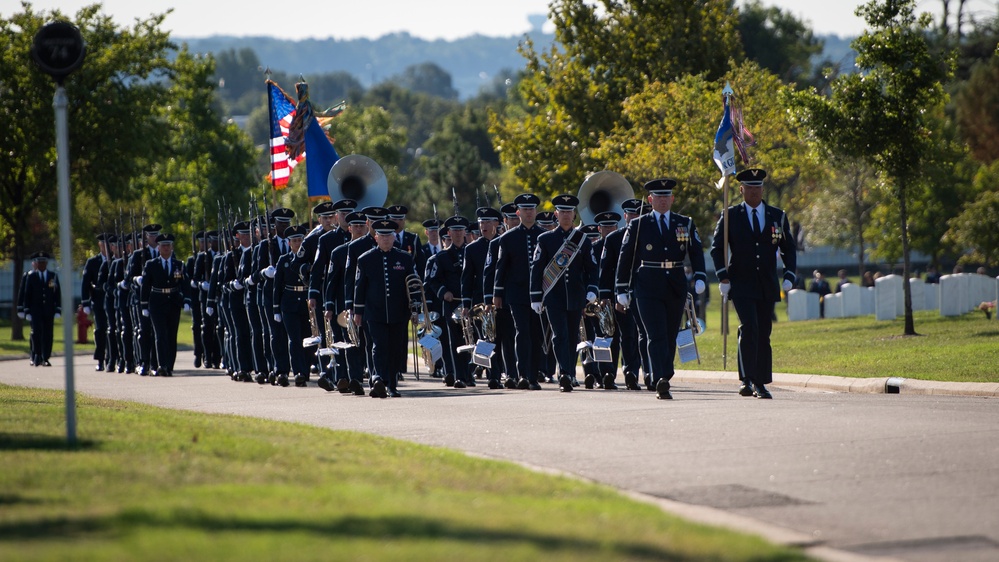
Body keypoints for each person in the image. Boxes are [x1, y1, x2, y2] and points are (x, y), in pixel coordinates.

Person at [710, 168, 797, 399]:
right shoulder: (730, 215)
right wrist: (723, 276)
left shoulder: (776, 215)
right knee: (750, 327)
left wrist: (789, 274)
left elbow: (788, 248)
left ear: (763, 189)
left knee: (763, 332)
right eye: (749, 187)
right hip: (741, 283)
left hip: (767, 283)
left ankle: (753, 379)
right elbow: (717, 248)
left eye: (758, 187)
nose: (754, 191)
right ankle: (754, 381)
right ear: (741, 190)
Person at [616, 179, 706, 400]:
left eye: (667, 196)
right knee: (655, 334)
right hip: (647, 285)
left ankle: (665, 372)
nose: (663, 200)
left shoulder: (684, 222)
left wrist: (700, 276)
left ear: (672, 199)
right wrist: (621, 288)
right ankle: (660, 378)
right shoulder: (638, 225)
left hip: (675, 284)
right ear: (650, 200)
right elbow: (625, 257)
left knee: (669, 334)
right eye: (658, 197)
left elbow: (696, 252)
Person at [530, 194, 599, 393]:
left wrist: (592, 289)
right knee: (559, 335)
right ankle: (566, 374)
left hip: (576, 296)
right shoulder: (545, 239)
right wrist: (536, 296)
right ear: (556, 214)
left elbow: (592, 268)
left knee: (572, 336)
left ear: (574, 214)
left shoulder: (583, 240)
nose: (566, 215)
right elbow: (537, 269)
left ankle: (567, 372)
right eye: (563, 212)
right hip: (553, 296)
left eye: (570, 212)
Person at [353, 220, 421, 398]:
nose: (385, 239)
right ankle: (379, 379)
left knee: (395, 349)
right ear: (376, 237)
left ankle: (392, 385)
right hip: (374, 312)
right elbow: (359, 287)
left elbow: (413, 286)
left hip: (398, 312)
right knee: (379, 345)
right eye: (382, 235)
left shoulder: (404, 258)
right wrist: (358, 312)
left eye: (388, 235)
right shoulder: (365, 259)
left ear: (393, 237)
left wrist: (415, 309)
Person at [492, 193, 545, 390]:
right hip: (516, 293)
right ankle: (522, 374)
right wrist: (497, 293)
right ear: (518, 212)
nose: (529, 212)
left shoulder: (544, 236)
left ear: (535, 211)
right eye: (525, 209)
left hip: (539, 295)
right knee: (522, 331)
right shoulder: (508, 238)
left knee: (536, 334)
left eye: (531, 209)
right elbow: (501, 267)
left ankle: (533, 376)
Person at [599, 200, 644, 391]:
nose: (634, 217)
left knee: (631, 336)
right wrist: (604, 296)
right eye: (630, 214)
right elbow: (605, 270)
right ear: (625, 216)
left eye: (637, 214)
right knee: (608, 335)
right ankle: (607, 373)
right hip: (612, 296)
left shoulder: (646, 235)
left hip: (637, 294)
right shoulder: (614, 238)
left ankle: (631, 372)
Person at [426, 215, 472, 388]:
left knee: (471, 339)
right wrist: (443, 292)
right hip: (451, 304)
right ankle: (458, 375)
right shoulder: (442, 256)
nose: (459, 233)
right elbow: (432, 280)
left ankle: (470, 374)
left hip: (469, 302)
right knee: (455, 340)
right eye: (455, 230)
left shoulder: (472, 251)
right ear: (449, 233)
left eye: (461, 230)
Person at [140, 234, 190, 377]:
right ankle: (161, 365)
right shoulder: (151, 264)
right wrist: (144, 305)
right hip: (157, 302)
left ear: (172, 247)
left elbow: (185, 284)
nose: (166, 248)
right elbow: (145, 286)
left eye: (168, 245)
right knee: (160, 334)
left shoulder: (178, 264)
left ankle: (169, 365)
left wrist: (187, 300)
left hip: (173, 302)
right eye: (163, 245)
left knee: (171, 335)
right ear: (159, 248)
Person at [272, 225, 313, 387]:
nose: (297, 243)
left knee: (307, 339)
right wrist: (276, 308)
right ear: (289, 243)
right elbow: (277, 285)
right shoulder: (284, 260)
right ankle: (298, 372)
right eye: (294, 241)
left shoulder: (309, 259)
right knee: (294, 339)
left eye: (300, 240)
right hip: (289, 303)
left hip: (306, 302)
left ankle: (305, 370)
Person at [19, 252, 61, 367]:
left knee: (48, 334)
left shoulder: (52, 276)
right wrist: (26, 310)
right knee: (36, 332)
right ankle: (37, 354)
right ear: (36, 263)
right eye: (39, 262)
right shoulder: (31, 276)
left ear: (46, 263)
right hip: (35, 310)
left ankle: (46, 357)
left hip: (48, 310)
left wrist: (57, 309)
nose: (41, 264)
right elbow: (26, 294)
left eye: (43, 262)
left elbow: (56, 293)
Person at [81, 233, 109, 371]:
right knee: (100, 330)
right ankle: (100, 359)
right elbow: (85, 283)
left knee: (113, 330)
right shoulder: (93, 262)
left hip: (112, 301)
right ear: (100, 245)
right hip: (98, 301)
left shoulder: (116, 260)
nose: (106, 246)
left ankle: (112, 357)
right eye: (103, 243)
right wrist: (85, 302)